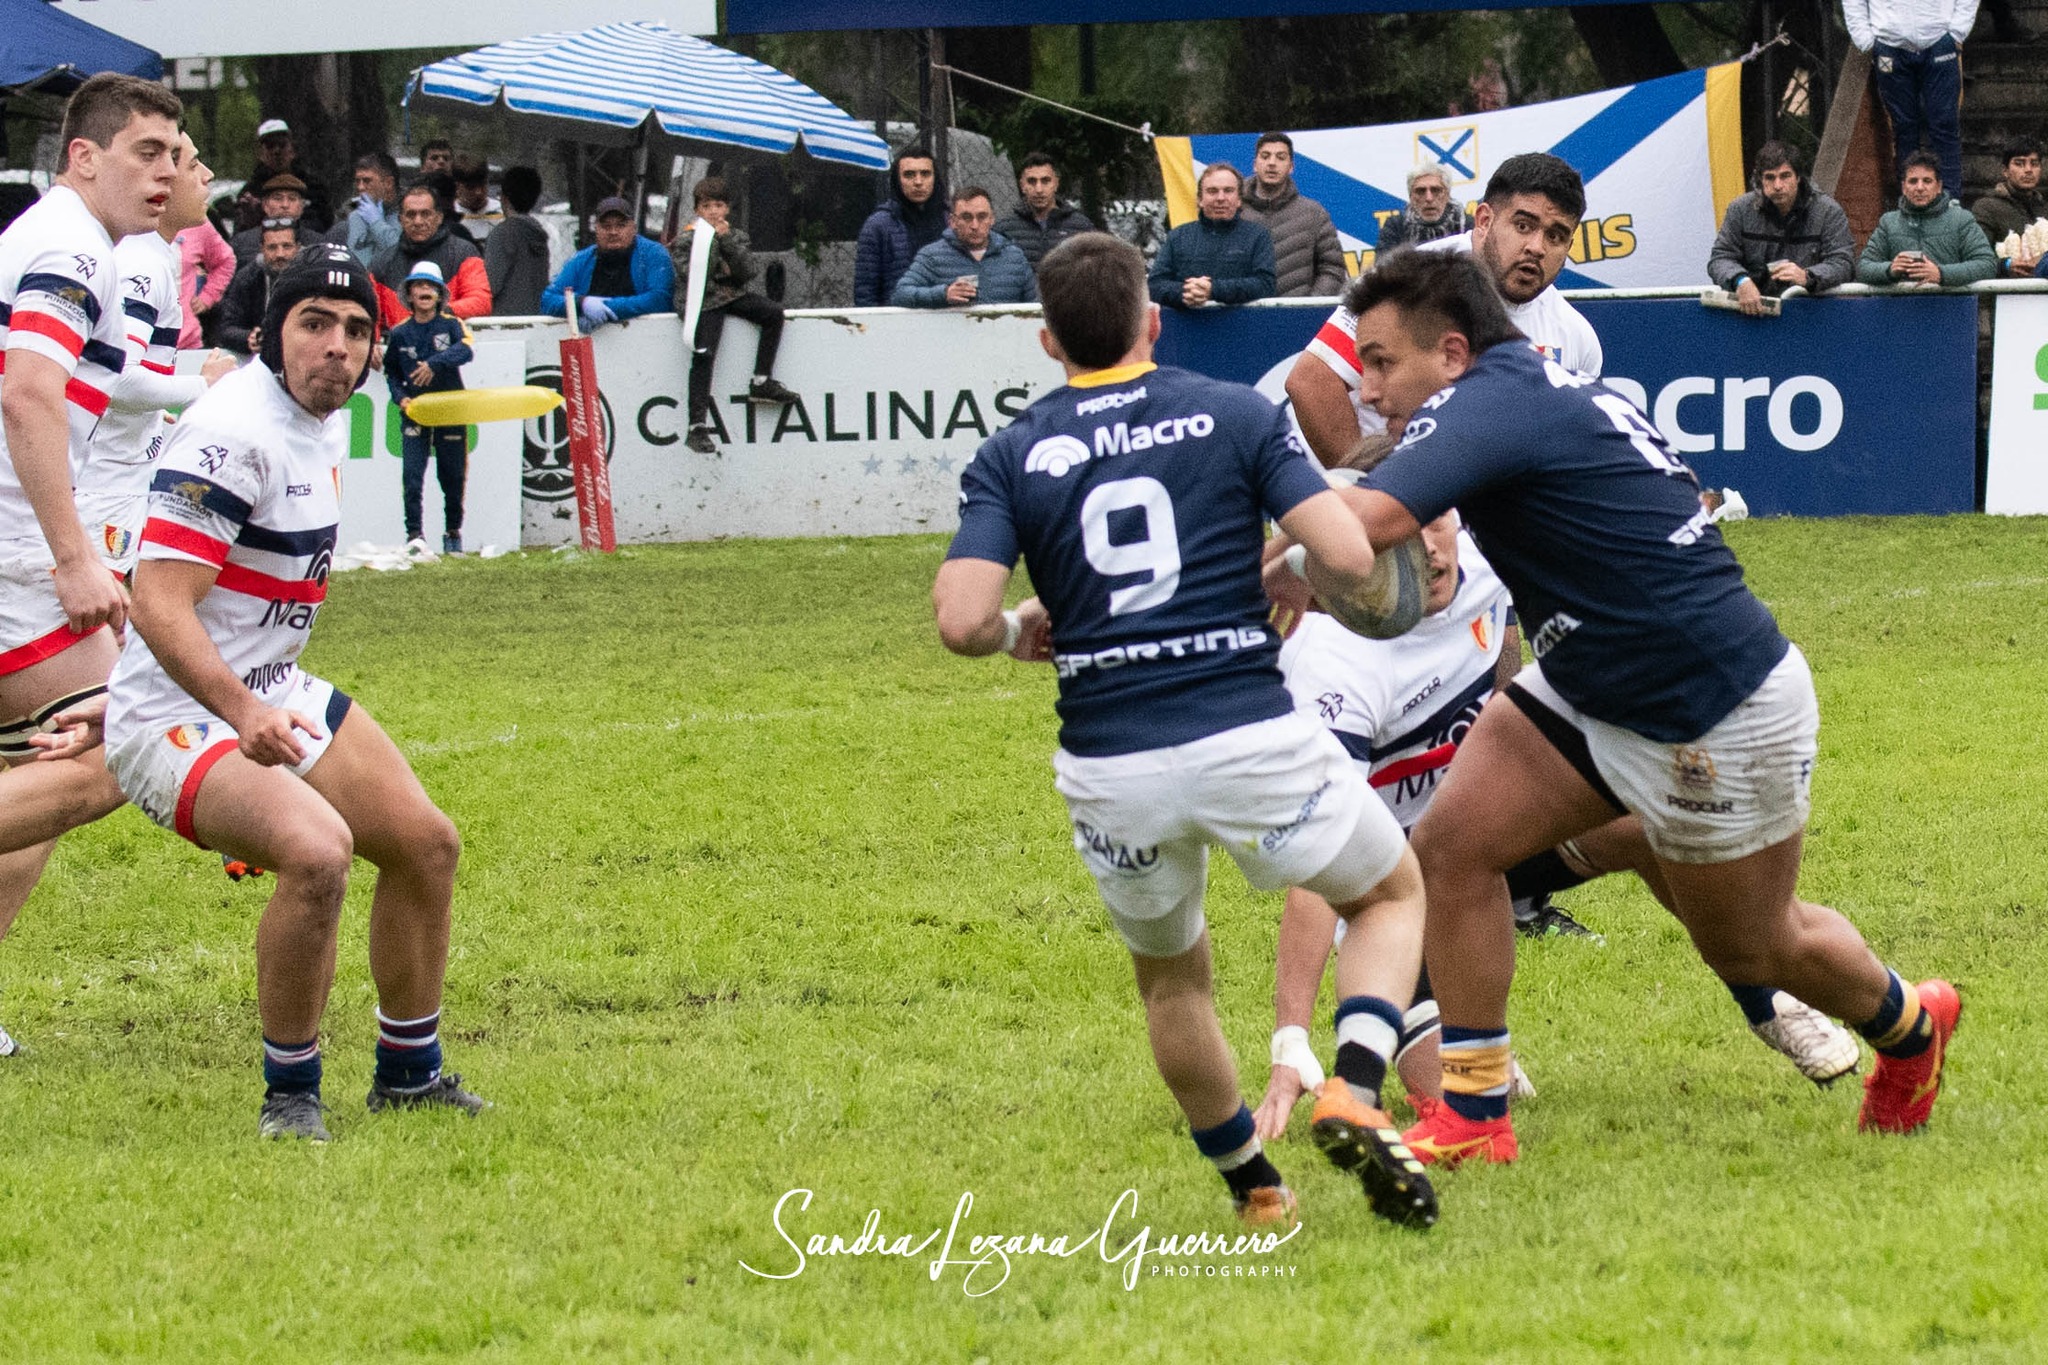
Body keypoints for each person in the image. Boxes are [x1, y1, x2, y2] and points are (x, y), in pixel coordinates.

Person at [1327, 247, 1958, 1165]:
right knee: (1453, 850)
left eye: (1381, 361)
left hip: (1709, 704)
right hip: (1592, 682)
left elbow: (1367, 525)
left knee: (1754, 948)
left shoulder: (1491, 400)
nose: (1367, 387)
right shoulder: (1526, 388)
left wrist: (1241, 567)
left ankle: (1910, 1025)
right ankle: (1474, 1111)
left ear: (1452, 354)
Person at [934, 232, 1437, 1230]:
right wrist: (1289, 554)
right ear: (1151, 321)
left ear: (1046, 342)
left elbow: (959, 620)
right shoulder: (1235, 411)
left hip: (1110, 763)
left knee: (1172, 981)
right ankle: (1349, 1082)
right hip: (1246, 734)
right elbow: (1342, 547)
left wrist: (1014, 631)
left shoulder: (1008, 451)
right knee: (1387, 892)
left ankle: (1254, 1189)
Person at [1255, 491, 1860, 1141]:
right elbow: (1322, 865)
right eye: (1395, 544)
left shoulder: (1484, 568)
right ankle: (1460, 1059)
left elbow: (1507, 642)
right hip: (1390, 893)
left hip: (1474, 838)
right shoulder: (1332, 665)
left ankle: (1765, 996)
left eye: (1435, 523)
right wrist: (1290, 1042)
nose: (1429, 550)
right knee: (1470, 1093)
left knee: (1649, 818)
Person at [105, 243, 483, 1140]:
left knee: (426, 844)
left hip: (270, 687)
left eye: (358, 331)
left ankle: (408, 1073)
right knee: (319, 853)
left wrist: (262, 697)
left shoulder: (309, 418)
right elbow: (155, 600)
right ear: (275, 334)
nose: (338, 348)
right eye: (315, 324)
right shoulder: (234, 430)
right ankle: (291, 1095)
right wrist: (243, 715)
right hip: (175, 716)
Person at [0, 73, 184, 1059]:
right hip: (19, 556)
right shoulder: (70, 245)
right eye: (146, 153)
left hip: (25, 545)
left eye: (175, 155)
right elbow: (26, 394)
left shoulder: (69, 244)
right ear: (83, 155)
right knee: (117, 745)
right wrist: (77, 560)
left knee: (42, 772)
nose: (166, 174)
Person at [1288, 153, 1601, 473]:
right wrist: (1372, 495)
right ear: (1484, 220)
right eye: (1523, 225)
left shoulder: (1577, 338)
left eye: (1556, 236)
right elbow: (1311, 381)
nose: (1537, 247)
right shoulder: (1408, 280)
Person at [80, 131, 239, 577]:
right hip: (104, 487)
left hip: (113, 479)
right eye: (194, 165)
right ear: (161, 187)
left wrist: (152, 416)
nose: (207, 175)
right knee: (99, 633)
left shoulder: (152, 256)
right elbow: (116, 379)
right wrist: (203, 386)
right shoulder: (142, 265)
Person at [671, 178, 797, 456]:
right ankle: (696, 426)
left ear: (727, 208)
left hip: (730, 295)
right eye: (706, 206)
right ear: (697, 209)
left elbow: (745, 271)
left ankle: (762, 380)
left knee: (773, 313)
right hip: (702, 302)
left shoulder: (736, 236)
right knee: (704, 354)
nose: (713, 212)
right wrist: (711, 243)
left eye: (718, 205)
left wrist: (724, 240)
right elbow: (695, 275)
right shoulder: (685, 239)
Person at [384, 261, 474, 555]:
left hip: (449, 410)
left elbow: (466, 350)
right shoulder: (398, 333)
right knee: (412, 475)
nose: (424, 291)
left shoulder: (451, 324)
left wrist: (434, 364)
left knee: (451, 475)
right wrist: (401, 398)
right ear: (409, 295)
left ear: (439, 294)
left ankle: (452, 533)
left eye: (430, 286)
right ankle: (414, 536)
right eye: (418, 286)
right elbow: (392, 374)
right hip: (416, 413)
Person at [1843, 0, 1974, 200]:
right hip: (1890, 46)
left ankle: (1951, 204)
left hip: (1939, 41)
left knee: (1945, 126)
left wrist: (1957, 32)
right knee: (1903, 128)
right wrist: (1866, 40)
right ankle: (1909, 204)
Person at [1707, 141, 1858, 314]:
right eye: (1770, 177)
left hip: (1813, 314)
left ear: (1798, 177)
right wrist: (1739, 280)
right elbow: (1719, 258)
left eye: (1785, 176)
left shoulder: (1828, 211)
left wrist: (1807, 276)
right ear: (1760, 179)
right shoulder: (1739, 209)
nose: (1778, 185)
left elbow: (1844, 263)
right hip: (1752, 314)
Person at [1855, 152, 1999, 285]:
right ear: (1904, 187)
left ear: (1939, 186)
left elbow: (1987, 264)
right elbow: (1863, 268)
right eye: (1913, 181)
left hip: (1950, 308)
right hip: (1899, 309)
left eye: (1927, 181)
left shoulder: (1961, 219)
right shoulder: (1889, 222)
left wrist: (1941, 274)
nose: (1919, 187)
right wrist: (1889, 269)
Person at [1147, 163, 1277, 309]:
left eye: (1228, 191)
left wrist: (1213, 289)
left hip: (1241, 327)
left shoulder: (1258, 236)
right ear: (1200, 199)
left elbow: (1265, 285)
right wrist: (1184, 292)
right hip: (1188, 328)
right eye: (1212, 191)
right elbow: (1154, 285)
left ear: (1239, 199)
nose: (1220, 198)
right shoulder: (1178, 236)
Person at [538, 196, 674, 331]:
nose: (613, 232)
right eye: (606, 226)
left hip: (647, 340)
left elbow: (660, 299)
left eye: (621, 225)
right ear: (596, 229)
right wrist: (581, 303)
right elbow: (548, 300)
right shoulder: (581, 260)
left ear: (633, 228)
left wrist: (608, 308)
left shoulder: (653, 253)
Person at [1237, 133, 1346, 297]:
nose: (1272, 163)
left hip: (1300, 318)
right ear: (1255, 164)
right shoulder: (1235, 212)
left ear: (1291, 166)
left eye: (1281, 157)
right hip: (1244, 316)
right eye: (1265, 156)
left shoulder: (1314, 213)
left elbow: (1333, 268)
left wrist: (1309, 307)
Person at [889, 187, 1038, 307]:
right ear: (953, 221)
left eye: (982, 217)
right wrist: (944, 294)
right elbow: (900, 294)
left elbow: (1036, 305)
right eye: (966, 217)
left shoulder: (1014, 257)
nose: (974, 225)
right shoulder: (932, 256)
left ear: (992, 219)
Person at [369, 184, 492, 325]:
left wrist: (436, 312)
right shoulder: (382, 262)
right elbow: (371, 314)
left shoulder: (464, 253)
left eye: (425, 214)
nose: (418, 221)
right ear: (400, 219)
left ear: (439, 217)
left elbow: (481, 302)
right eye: (411, 214)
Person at [853, 145, 946, 307]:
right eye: (909, 175)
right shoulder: (878, 225)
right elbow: (865, 292)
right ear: (897, 180)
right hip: (896, 320)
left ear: (935, 178)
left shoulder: (952, 220)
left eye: (925, 174)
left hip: (947, 317)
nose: (918, 182)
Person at [993, 152, 1096, 270]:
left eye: (1045, 181)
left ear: (1056, 183)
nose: (1039, 189)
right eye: (1032, 181)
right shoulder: (1005, 230)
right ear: (1022, 186)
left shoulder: (1080, 227)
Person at [217, 221, 302, 354]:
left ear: (298, 247)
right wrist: (248, 337)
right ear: (262, 249)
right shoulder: (247, 277)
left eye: (286, 246)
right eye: (272, 247)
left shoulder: (313, 276)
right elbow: (226, 328)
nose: (280, 254)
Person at [484, 166, 550, 316]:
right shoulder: (538, 234)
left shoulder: (503, 233)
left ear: (504, 198)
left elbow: (490, 285)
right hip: (536, 316)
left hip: (506, 322)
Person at [1972, 138, 2045, 274]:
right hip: (2005, 290)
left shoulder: (2044, 209)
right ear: (2005, 171)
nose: (2028, 170)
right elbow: (1975, 257)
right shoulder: (1986, 207)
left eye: (2034, 164)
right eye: (2019, 163)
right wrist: (2005, 265)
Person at [227, 175, 322, 265]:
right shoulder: (241, 243)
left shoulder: (318, 243)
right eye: (278, 199)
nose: (285, 205)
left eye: (292, 199)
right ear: (265, 205)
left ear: (301, 206)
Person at [326, 152, 401, 264]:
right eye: (357, 181)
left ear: (388, 183)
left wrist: (376, 223)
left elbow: (398, 257)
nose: (360, 187)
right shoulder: (349, 213)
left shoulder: (410, 213)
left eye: (367, 181)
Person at [176, 207, 235, 348]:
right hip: (132, 341)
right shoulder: (130, 220)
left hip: (185, 343)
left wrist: (207, 296)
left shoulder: (195, 221)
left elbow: (226, 261)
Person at [1376, 167, 1468, 251]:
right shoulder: (1396, 226)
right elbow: (1383, 266)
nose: (1429, 198)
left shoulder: (1465, 223)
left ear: (1447, 195)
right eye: (1420, 191)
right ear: (1411, 197)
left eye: (1436, 190)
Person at [450, 153, 501, 242]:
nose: (478, 192)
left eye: (482, 185)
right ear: (457, 187)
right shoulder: (449, 216)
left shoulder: (502, 212)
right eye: (471, 187)